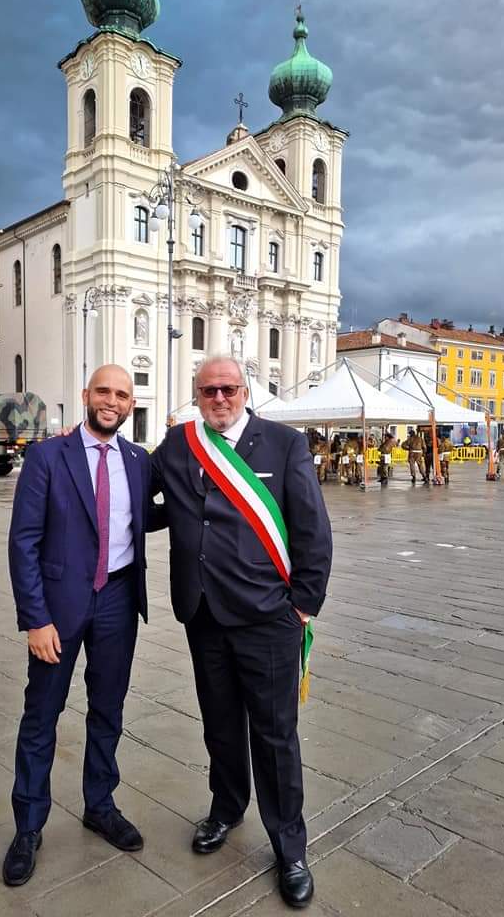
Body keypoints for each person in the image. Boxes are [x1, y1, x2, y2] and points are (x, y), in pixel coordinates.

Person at [150, 356, 332, 909]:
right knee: (221, 725)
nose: (219, 399)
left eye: (228, 389)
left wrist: (303, 606)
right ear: (197, 395)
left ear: (245, 392)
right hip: (204, 614)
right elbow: (141, 491)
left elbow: (312, 527)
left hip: (268, 619)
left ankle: (290, 847)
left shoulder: (284, 444)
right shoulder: (180, 445)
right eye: (209, 390)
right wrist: (82, 447)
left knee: (275, 737)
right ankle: (226, 808)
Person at [4, 365, 162, 887]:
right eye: (104, 392)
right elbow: (24, 542)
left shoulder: (138, 461)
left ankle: (100, 804)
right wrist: (36, 619)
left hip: (118, 599)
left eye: (122, 394)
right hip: (60, 606)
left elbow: (146, 515)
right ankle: (28, 826)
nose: (112, 401)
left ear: (131, 404)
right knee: (41, 716)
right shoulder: (49, 456)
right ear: (86, 395)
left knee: (108, 709)